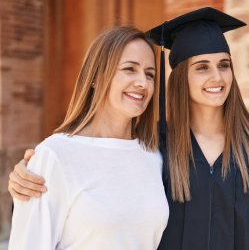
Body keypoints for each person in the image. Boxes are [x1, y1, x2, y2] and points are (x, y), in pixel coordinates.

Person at [8, 7, 249, 250]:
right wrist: (27, 174)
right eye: (202, 67)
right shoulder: (153, 146)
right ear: (180, 77)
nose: (217, 77)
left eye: (224, 65)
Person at [7, 26, 169, 250]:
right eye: (130, 69)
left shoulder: (155, 155)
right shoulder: (55, 155)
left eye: (149, 74)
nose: (143, 82)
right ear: (96, 77)